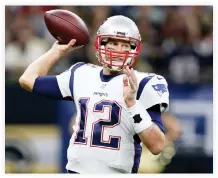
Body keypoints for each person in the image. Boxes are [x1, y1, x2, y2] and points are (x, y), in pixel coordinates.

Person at [19, 15, 169, 173]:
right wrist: (56, 51)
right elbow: (28, 79)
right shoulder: (81, 74)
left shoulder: (145, 83)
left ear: (134, 48)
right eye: (114, 43)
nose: (119, 50)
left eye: (125, 45)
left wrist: (132, 104)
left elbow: (157, 146)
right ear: (100, 44)